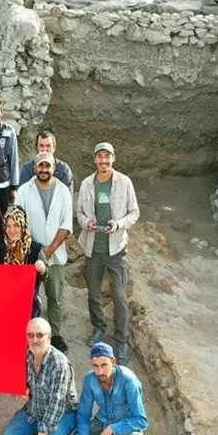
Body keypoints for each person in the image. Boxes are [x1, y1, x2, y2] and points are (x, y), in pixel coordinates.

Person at [76, 142, 140, 364]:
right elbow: (80, 213)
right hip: (93, 247)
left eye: (107, 157)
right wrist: (87, 223)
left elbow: (134, 212)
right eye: (99, 157)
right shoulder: (86, 184)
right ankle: (99, 328)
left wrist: (119, 224)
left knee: (120, 297)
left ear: (113, 158)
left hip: (116, 249)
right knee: (93, 293)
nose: (103, 161)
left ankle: (121, 341)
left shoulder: (124, 183)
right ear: (95, 160)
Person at [1, 318, 78, 435]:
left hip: (62, 413)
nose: (34, 339)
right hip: (35, 408)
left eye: (40, 335)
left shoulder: (59, 364)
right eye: (30, 335)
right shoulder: (28, 355)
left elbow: (57, 404)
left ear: (49, 338)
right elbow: (22, 380)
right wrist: (23, 389)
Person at [15, 152, 73, 352]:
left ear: (54, 168)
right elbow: (18, 223)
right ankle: (31, 336)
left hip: (55, 256)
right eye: (41, 166)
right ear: (35, 168)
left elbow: (66, 225)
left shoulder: (64, 191)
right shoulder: (24, 191)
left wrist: (47, 251)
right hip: (30, 257)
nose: (44, 170)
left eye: (47, 166)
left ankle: (55, 335)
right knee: (31, 299)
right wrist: (36, 252)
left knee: (55, 298)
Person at [0, 206, 45, 318]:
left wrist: (42, 267)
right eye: (8, 226)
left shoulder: (34, 247)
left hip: (28, 304)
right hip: (0, 303)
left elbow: (46, 274)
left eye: (16, 225)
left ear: (23, 225)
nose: (12, 230)